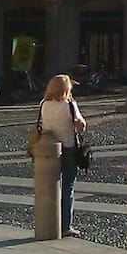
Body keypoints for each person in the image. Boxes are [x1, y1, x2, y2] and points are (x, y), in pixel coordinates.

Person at [39, 75, 87, 238]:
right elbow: (81, 126)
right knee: (68, 187)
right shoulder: (69, 105)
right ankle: (65, 225)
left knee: (50, 187)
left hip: (49, 149)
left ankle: (48, 221)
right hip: (67, 148)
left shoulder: (43, 104)